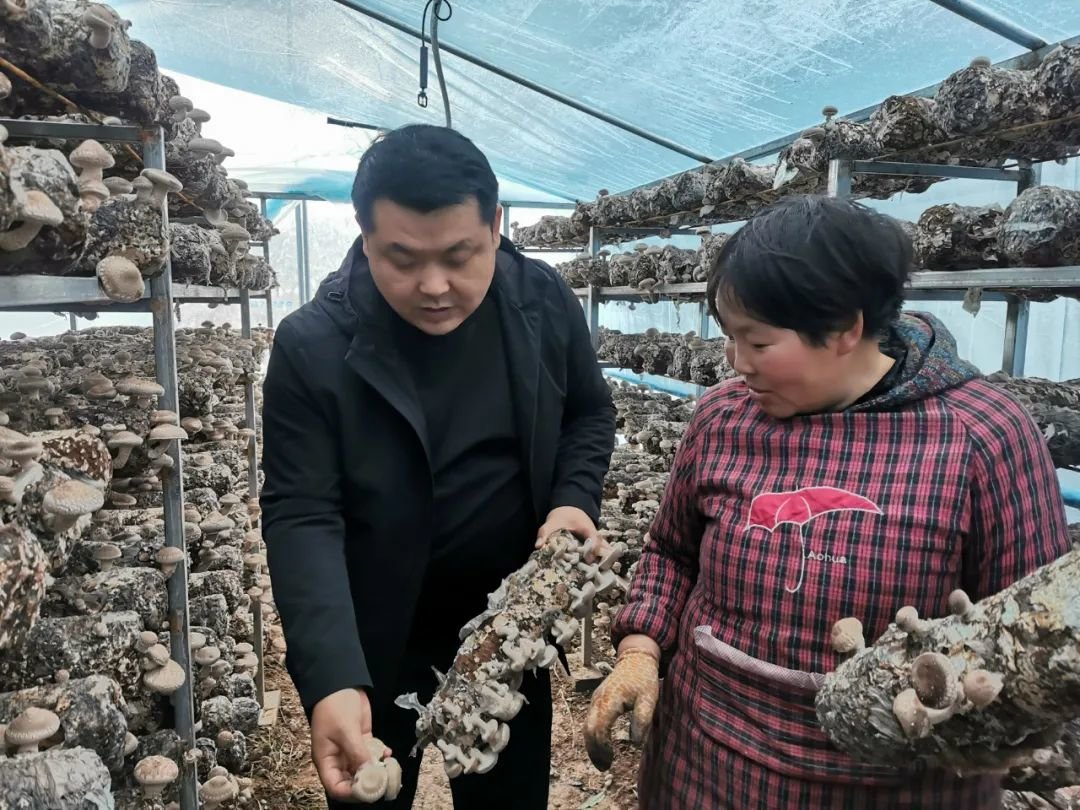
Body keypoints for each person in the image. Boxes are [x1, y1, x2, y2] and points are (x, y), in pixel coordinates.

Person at [585, 194, 1072, 809]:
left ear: (846, 327)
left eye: (757, 343)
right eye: (730, 338)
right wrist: (639, 648)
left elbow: (1035, 638)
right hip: (703, 762)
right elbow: (671, 552)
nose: (736, 364)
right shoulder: (722, 418)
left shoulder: (981, 436)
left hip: (883, 785)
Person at [260, 124, 616, 809]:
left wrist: (573, 499)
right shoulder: (313, 345)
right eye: (402, 258)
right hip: (375, 638)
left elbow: (588, 416)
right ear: (363, 236)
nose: (434, 286)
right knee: (372, 793)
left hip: (506, 632)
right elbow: (302, 511)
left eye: (460, 255)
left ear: (495, 225)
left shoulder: (542, 302)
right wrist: (332, 676)